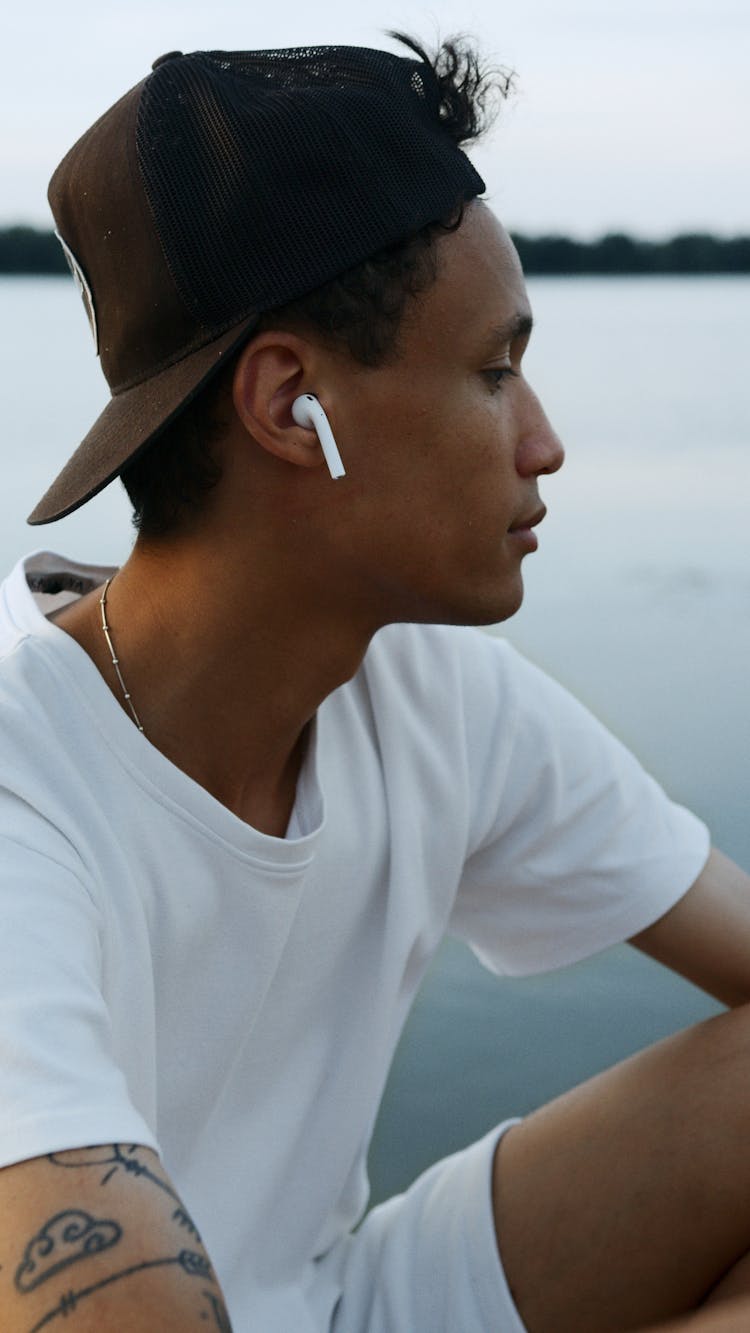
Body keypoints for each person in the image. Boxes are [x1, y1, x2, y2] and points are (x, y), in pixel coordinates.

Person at [0, 33, 749, 1333]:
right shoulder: (27, 794)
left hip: (343, 1300)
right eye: (493, 369)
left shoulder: (436, 698)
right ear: (294, 406)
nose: (546, 442)